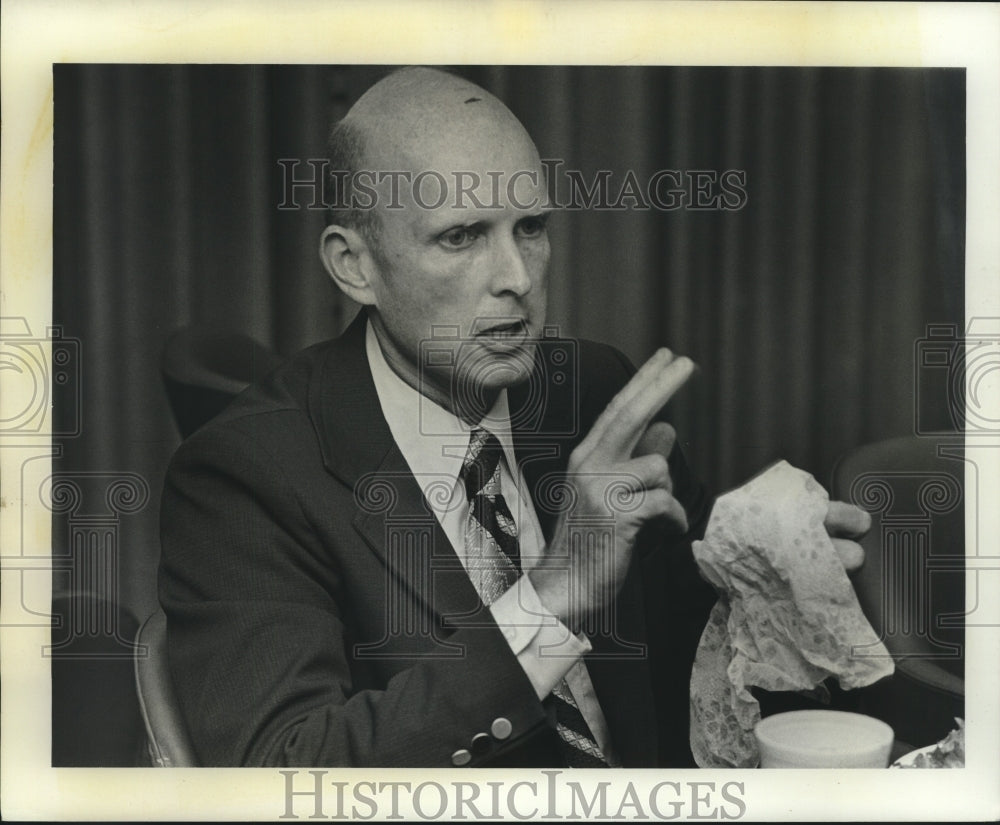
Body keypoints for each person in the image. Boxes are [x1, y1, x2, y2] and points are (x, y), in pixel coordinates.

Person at [158, 66, 870, 768]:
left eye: (529, 227)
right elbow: (284, 770)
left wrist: (755, 571)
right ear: (355, 266)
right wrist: (552, 598)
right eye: (462, 237)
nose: (518, 279)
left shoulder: (593, 390)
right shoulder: (242, 474)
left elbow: (679, 629)